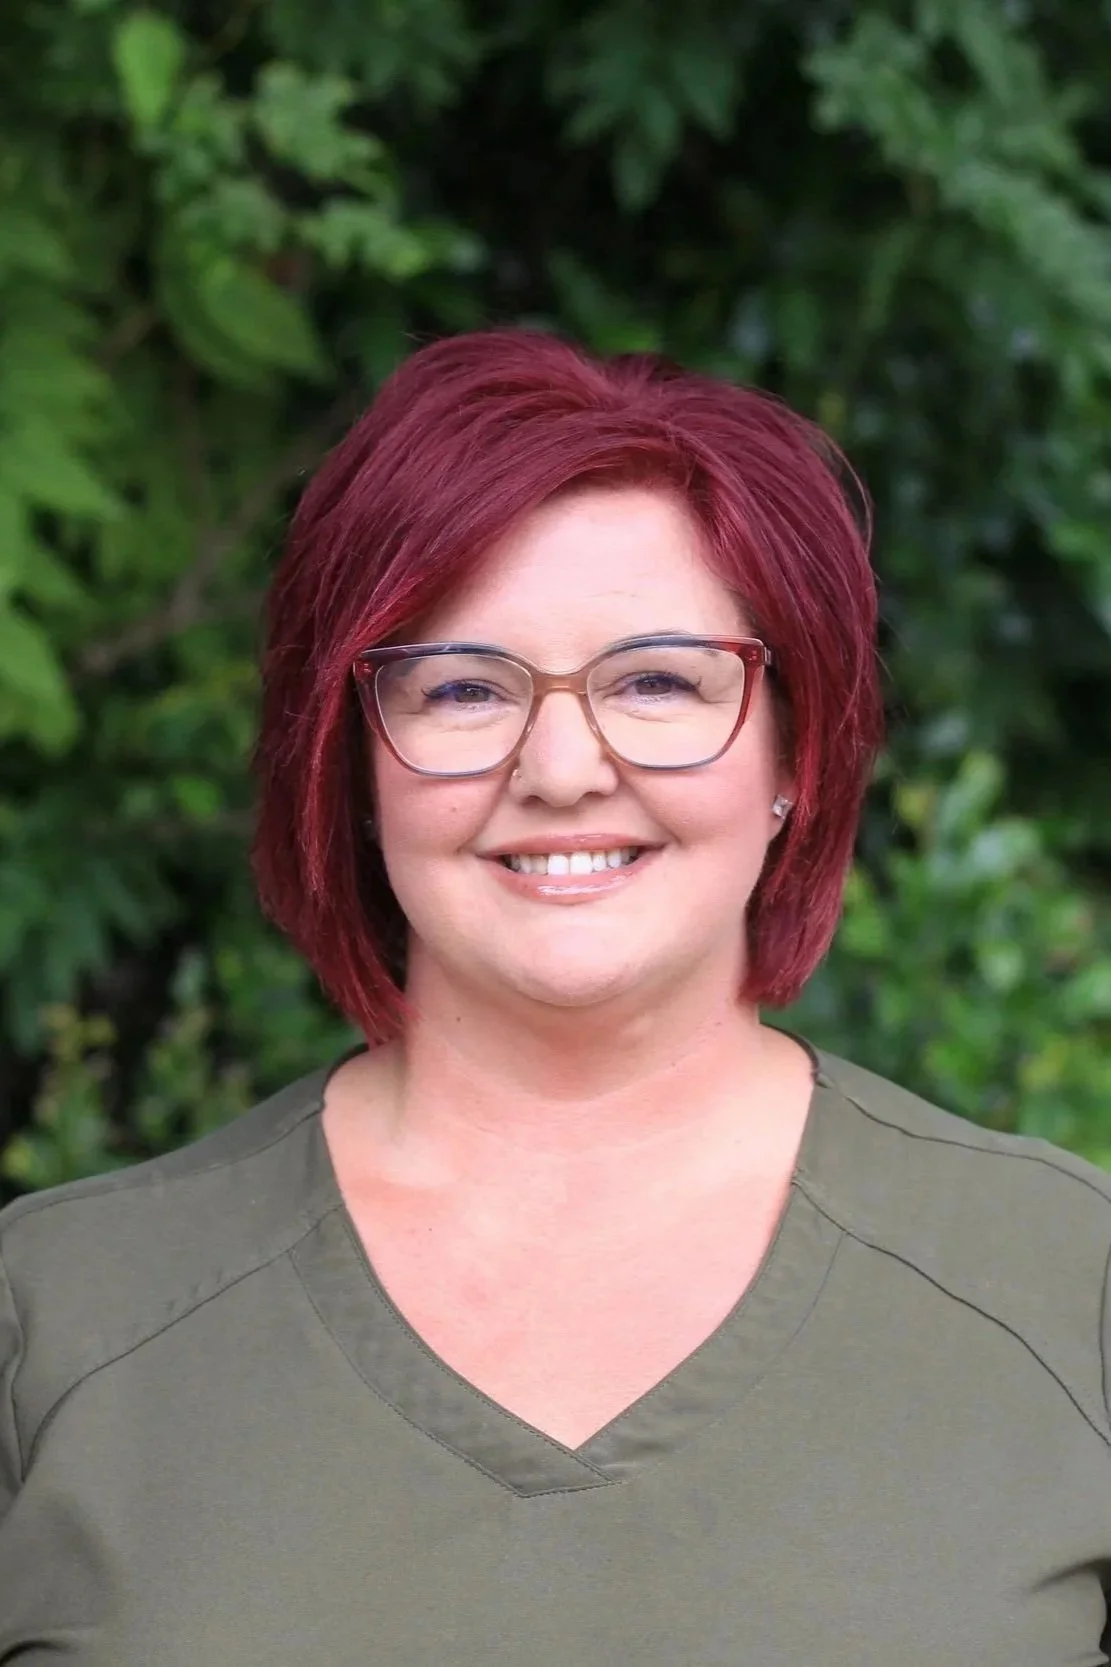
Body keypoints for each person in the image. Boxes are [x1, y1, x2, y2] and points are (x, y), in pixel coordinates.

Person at [1, 328, 1109, 1666]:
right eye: (465, 687)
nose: (563, 765)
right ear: (351, 764)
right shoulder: (57, 1315)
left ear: (794, 755)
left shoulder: (1063, 1285)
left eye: (656, 680)